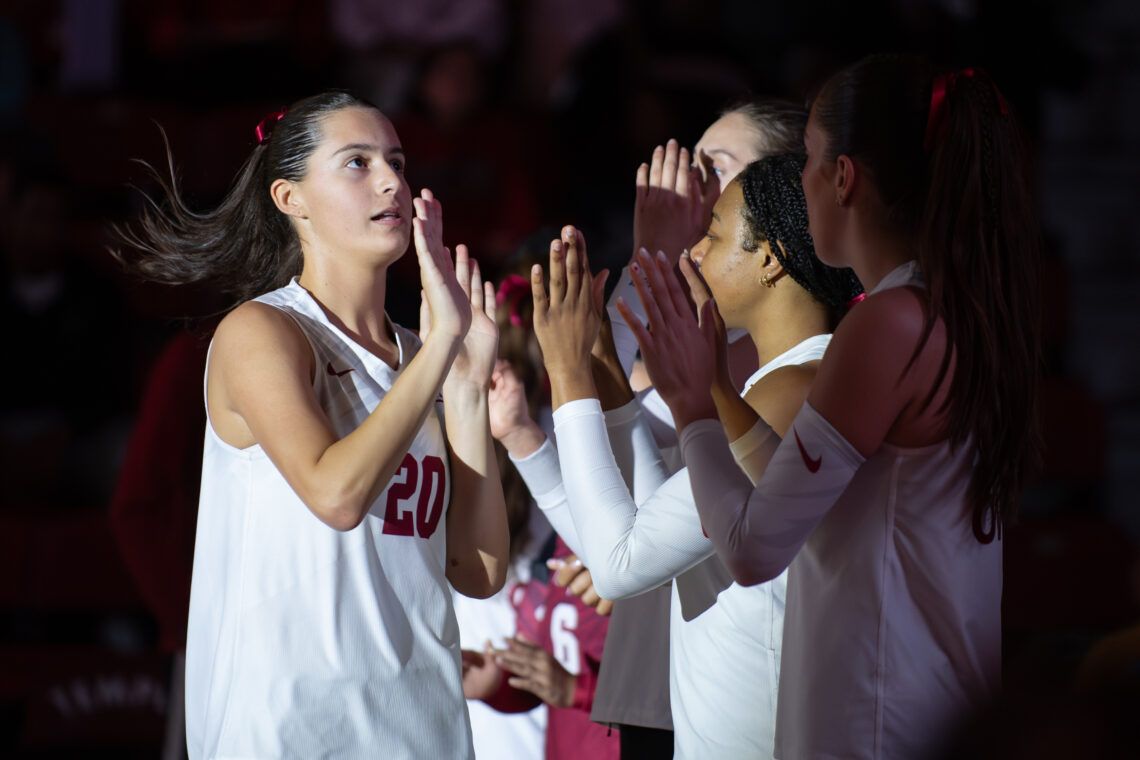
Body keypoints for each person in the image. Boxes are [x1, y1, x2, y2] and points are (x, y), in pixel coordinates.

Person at [624, 55, 1041, 759]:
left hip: (874, 716)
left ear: (843, 178)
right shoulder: (954, 308)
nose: (802, 179)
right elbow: (812, 505)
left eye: (810, 159)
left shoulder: (888, 324)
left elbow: (755, 548)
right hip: (922, 702)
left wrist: (693, 407)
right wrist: (719, 392)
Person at [114, 90, 509, 759]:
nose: (392, 180)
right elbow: (336, 495)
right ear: (290, 198)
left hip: (424, 722)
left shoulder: (422, 354)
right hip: (293, 728)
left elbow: (477, 570)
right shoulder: (263, 330)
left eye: (396, 160)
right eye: (356, 163)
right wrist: (443, 346)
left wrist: (467, 394)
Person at [515, 153, 860, 757]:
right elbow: (651, 524)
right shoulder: (772, 384)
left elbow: (619, 568)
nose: (694, 252)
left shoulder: (794, 388)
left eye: (714, 232)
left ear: (770, 259)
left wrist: (567, 374)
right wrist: (604, 375)